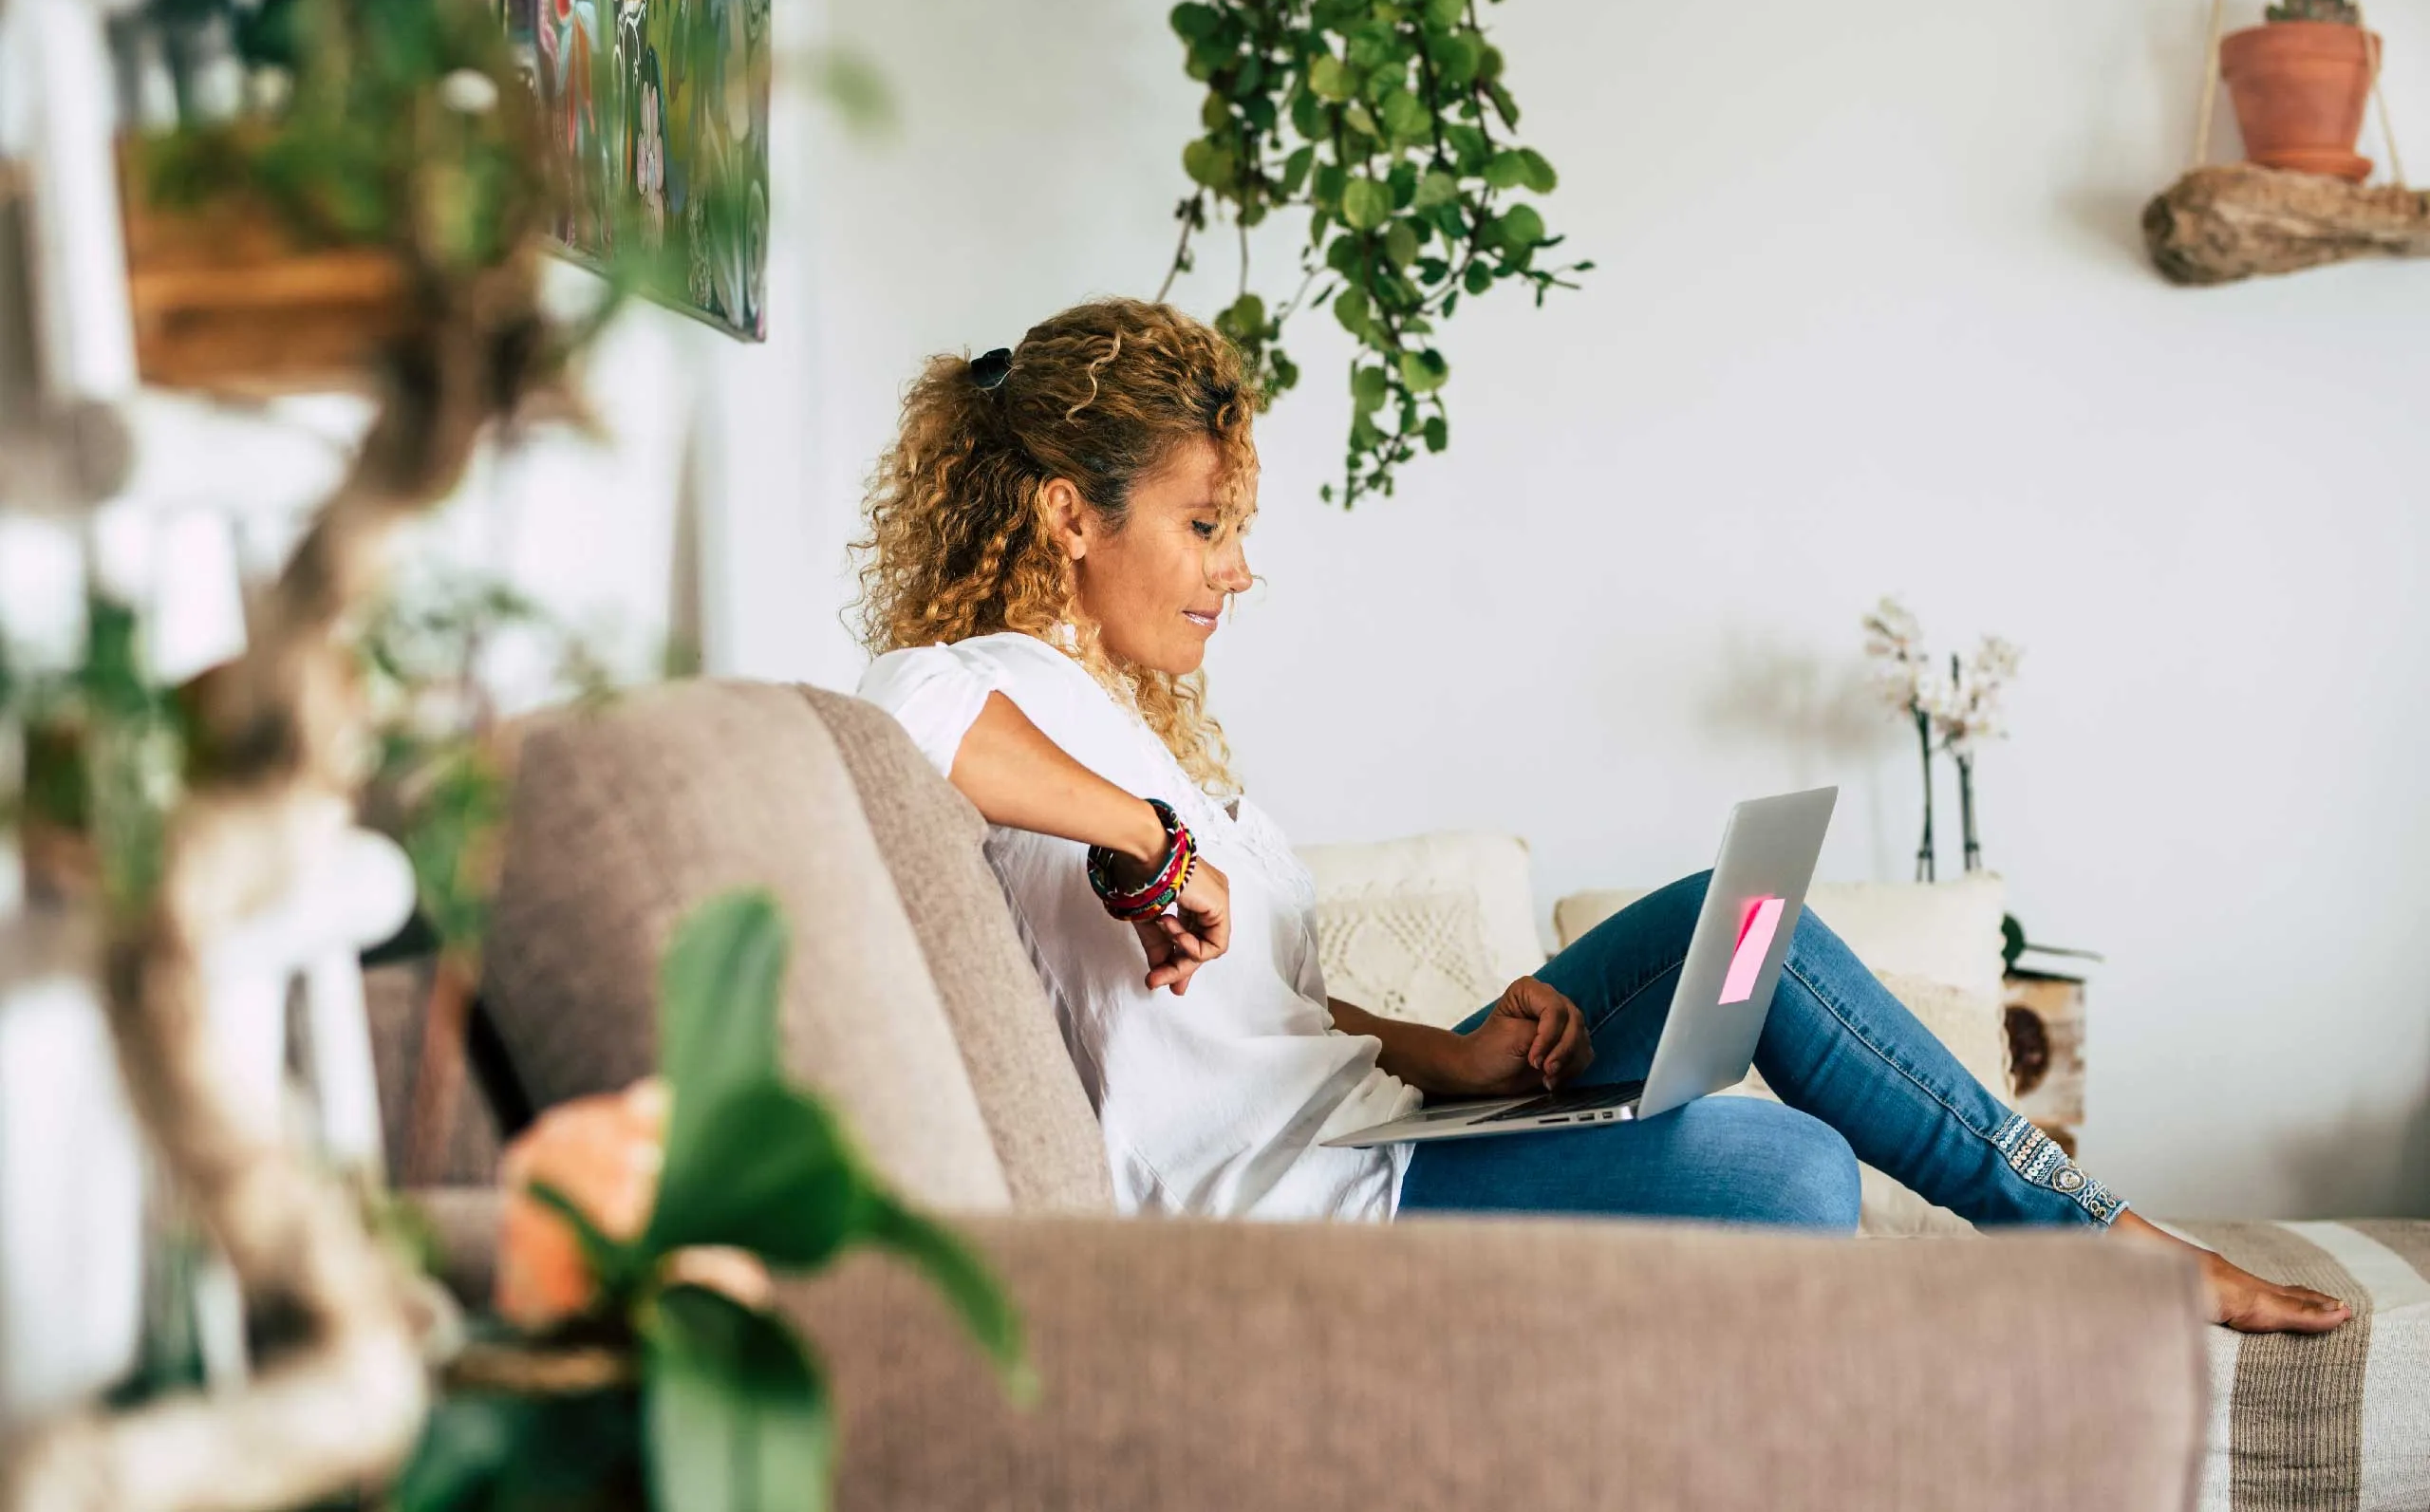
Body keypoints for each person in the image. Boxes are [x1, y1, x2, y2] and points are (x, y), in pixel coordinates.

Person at [853, 296, 2346, 1335]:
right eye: (1205, 523)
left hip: (1369, 1116)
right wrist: (1152, 836)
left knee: (1745, 918)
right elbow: (897, 728)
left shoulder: (1122, 722)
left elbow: (1249, 1013)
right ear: (1068, 515)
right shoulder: (980, 683)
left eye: (1238, 527)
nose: (1238, 569)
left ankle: (2107, 1239)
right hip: (1295, 1202)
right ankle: (2115, 1253)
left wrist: (1454, 1054)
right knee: (1794, 1177)